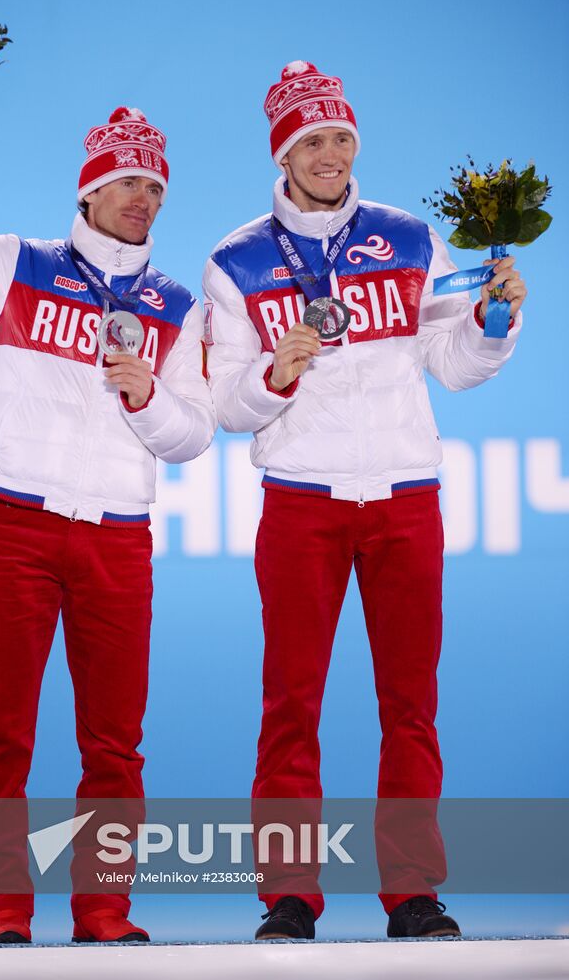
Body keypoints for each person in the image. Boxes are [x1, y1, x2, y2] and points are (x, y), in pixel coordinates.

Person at [203, 61, 527, 940]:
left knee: (409, 702)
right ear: (284, 151)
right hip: (301, 501)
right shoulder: (235, 258)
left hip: (402, 497)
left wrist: (492, 322)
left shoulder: (410, 236)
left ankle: (412, 890)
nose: (330, 154)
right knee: (290, 702)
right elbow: (224, 403)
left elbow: (452, 364)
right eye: (312, 140)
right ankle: (288, 894)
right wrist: (276, 374)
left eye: (341, 137)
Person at [0, 91, 216, 945]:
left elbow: (192, 438)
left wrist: (146, 398)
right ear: (88, 191)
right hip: (20, 530)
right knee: (3, 732)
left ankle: (103, 911)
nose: (142, 199)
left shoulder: (175, 307)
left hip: (117, 537)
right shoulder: (18, 264)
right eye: (126, 183)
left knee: (114, 743)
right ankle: (4, 912)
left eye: (155, 189)